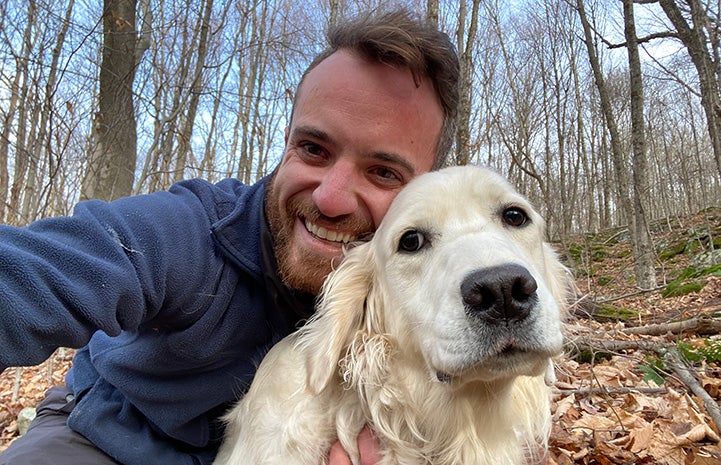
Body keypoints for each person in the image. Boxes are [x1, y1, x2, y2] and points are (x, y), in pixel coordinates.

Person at [0, 8, 459, 465]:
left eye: (382, 172)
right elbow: (34, 274)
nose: (331, 198)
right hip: (104, 437)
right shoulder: (195, 233)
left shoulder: (439, 292)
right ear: (286, 143)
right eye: (314, 149)